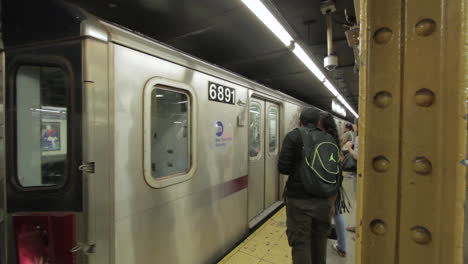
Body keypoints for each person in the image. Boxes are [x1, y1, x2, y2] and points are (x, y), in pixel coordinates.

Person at [278, 108, 336, 264]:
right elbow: (334, 171)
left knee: (301, 244)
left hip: (299, 201)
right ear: (318, 122)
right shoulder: (328, 138)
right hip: (323, 201)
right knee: (319, 242)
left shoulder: (294, 136)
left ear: (300, 121)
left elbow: (283, 168)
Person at [318, 112, 347, 257]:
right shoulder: (334, 140)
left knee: (332, 213)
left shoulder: (325, 141)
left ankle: (340, 246)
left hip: (330, 183)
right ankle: (342, 245)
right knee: (336, 213)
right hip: (335, 182)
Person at [346, 118, 359, 234]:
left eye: (355, 124)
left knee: (358, 199)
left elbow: (356, 156)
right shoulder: (358, 137)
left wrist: (349, 148)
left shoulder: (359, 138)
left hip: (359, 173)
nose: (354, 126)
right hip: (359, 172)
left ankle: (358, 228)